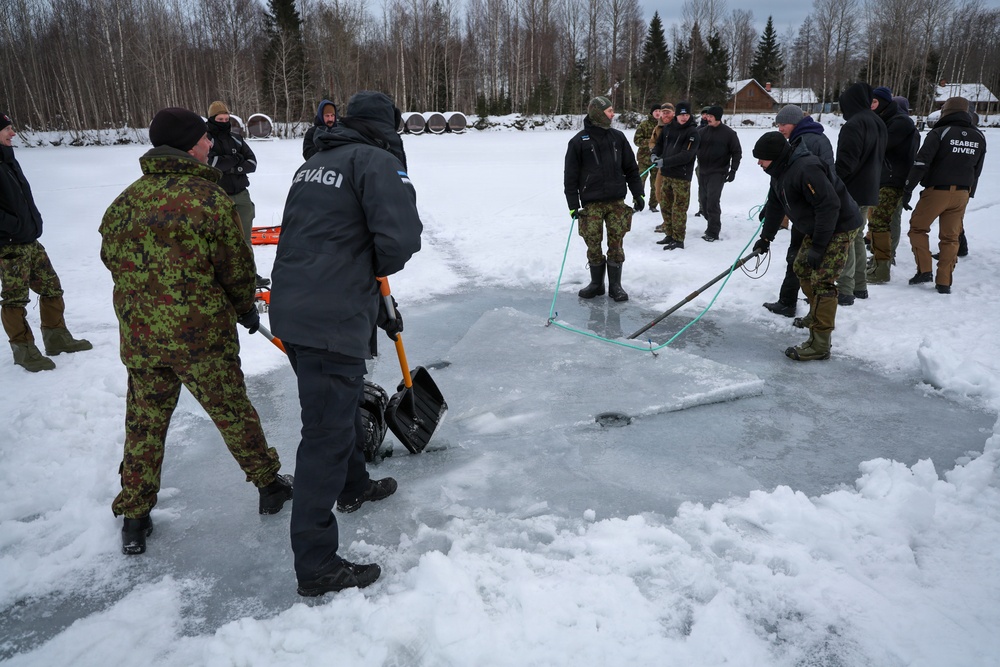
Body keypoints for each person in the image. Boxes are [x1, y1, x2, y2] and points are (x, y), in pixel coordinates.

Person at [100, 107, 293, 556]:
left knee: (144, 426)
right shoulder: (208, 201)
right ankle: (269, 485)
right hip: (201, 340)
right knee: (232, 412)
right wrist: (245, 306)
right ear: (190, 146)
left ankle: (135, 516)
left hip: (144, 341)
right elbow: (236, 269)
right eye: (205, 138)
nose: (210, 144)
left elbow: (113, 261)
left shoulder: (124, 203)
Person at [270, 91, 422, 597]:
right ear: (387, 127)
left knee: (338, 402)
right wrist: (370, 271)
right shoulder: (376, 161)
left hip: (295, 310)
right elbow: (400, 240)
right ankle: (316, 564)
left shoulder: (314, 162)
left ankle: (354, 486)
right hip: (330, 317)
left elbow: (317, 233)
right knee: (326, 433)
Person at [752, 131, 862, 361]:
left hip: (838, 226)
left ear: (775, 155)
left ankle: (820, 343)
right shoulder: (779, 170)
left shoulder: (806, 168)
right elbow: (775, 205)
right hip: (818, 226)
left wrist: (819, 247)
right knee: (801, 267)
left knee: (822, 281)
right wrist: (766, 238)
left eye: (762, 158)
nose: (759, 163)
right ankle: (815, 314)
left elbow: (829, 206)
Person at [0, 112, 91, 372]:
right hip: (10, 246)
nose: (13, 133)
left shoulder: (8, 159)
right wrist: (15, 226)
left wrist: (31, 222)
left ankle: (56, 338)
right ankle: (24, 350)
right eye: (7, 128)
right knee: (15, 299)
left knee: (52, 287)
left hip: (30, 240)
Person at [902, 96, 986, 294]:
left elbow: (921, 163)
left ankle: (924, 270)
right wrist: (969, 193)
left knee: (917, 229)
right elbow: (977, 169)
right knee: (950, 238)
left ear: (946, 111)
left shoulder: (940, 132)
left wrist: (908, 189)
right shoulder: (979, 136)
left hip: (937, 191)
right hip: (962, 193)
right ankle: (944, 281)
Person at [564, 95, 644, 302]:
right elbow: (570, 177)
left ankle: (615, 286)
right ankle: (596, 284)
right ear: (599, 113)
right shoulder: (578, 141)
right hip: (591, 203)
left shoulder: (618, 138)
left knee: (616, 244)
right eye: (609, 111)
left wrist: (638, 192)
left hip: (616, 202)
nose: (613, 114)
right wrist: (573, 205)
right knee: (593, 243)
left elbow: (631, 169)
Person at [762, 105, 835, 318]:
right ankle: (792, 300)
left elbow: (817, 177)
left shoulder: (808, 141)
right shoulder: (803, 139)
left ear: (795, 122)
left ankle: (790, 302)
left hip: (811, 213)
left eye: (783, 124)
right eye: (777, 124)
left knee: (799, 257)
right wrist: (771, 206)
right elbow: (781, 179)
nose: (780, 128)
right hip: (805, 211)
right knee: (799, 257)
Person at [206, 101, 269, 289]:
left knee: (245, 239)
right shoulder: (206, 140)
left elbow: (252, 163)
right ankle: (220, 278)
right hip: (217, 195)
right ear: (212, 119)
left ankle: (249, 275)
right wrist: (236, 161)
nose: (224, 121)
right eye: (220, 119)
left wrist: (231, 166)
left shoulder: (237, 139)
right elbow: (211, 163)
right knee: (219, 240)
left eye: (226, 119)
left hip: (241, 195)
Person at [834, 82, 886, 305]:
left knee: (845, 239)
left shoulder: (854, 124)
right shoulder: (878, 122)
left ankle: (845, 290)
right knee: (855, 238)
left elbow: (846, 163)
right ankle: (860, 286)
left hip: (852, 191)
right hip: (869, 190)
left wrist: (833, 184)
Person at [865, 87, 918, 285]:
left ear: (885, 103)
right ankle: (878, 263)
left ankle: (882, 269)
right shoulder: (888, 120)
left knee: (881, 224)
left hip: (892, 180)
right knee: (878, 223)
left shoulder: (900, 122)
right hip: (883, 179)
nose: (871, 106)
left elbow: (878, 145)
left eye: (874, 102)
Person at [651, 101, 700, 250]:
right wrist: (654, 155)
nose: (684, 117)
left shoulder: (692, 132)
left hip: (681, 177)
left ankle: (678, 239)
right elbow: (658, 145)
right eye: (681, 115)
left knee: (678, 209)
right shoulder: (667, 129)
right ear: (676, 115)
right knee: (665, 206)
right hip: (667, 174)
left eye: (687, 114)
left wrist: (664, 162)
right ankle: (669, 234)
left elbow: (687, 155)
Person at [694, 105, 741, 242]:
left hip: (718, 172)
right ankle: (711, 222)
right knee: (704, 200)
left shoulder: (729, 134)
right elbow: (692, 149)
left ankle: (713, 231)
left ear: (718, 118)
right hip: (703, 171)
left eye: (711, 116)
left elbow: (737, 153)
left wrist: (733, 171)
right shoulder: (702, 132)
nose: (708, 119)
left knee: (712, 202)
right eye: (707, 116)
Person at [651, 103, 674, 233]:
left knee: (673, 196)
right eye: (663, 112)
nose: (665, 115)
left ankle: (673, 224)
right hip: (661, 165)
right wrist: (654, 153)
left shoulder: (678, 126)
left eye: (668, 112)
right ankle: (666, 221)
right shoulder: (658, 127)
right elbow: (653, 142)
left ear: (673, 113)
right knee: (659, 192)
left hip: (674, 166)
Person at [633, 105, 660, 212]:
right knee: (640, 182)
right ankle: (637, 203)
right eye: (656, 111)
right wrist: (651, 142)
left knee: (656, 184)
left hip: (657, 161)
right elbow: (637, 140)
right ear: (651, 112)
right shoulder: (644, 125)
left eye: (659, 111)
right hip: (643, 160)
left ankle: (653, 204)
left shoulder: (663, 126)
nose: (658, 113)